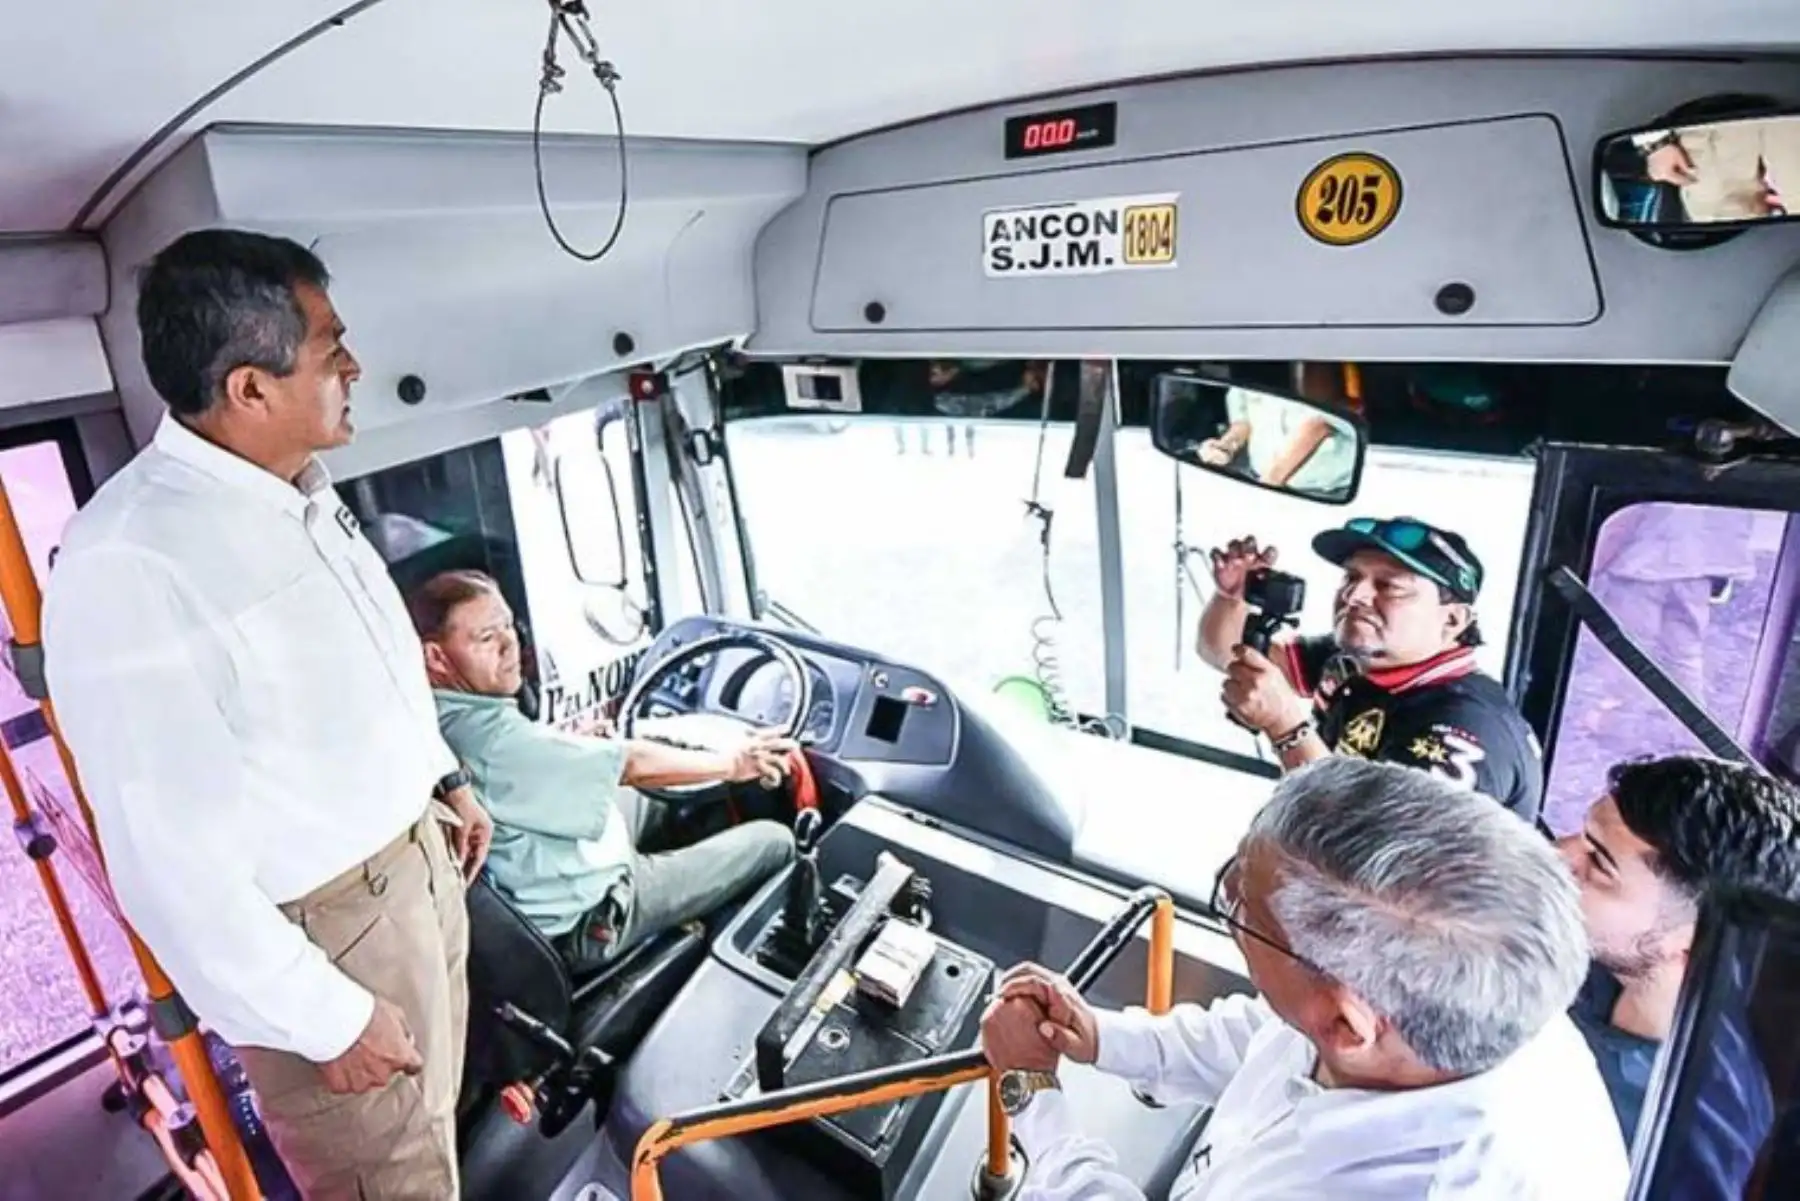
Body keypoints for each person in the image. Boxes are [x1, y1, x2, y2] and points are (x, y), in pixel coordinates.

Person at [42, 228, 492, 1200]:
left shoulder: (299, 495)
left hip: (420, 864)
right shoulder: (129, 562)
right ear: (250, 388)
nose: (355, 368)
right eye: (333, 350)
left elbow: (365, 665)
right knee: (393, 1180)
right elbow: (166, 865)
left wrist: (442, 777)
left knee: (430, 1143)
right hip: (328, 938)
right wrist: (324, 1017)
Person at [980, 757, 1627, 1199]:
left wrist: (1030, 1095)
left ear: (1347, 1023)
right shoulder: (1492, 999)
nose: (1230, 903)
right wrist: (1102, 1036)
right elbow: (1270, 1033)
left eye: (1238, 907)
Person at [408, 570, 798, 969]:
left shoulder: (429, 716)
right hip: (591, 914)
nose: (512, 645)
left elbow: (526, 758)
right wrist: (734, 763)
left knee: (662, 797)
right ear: (435, 657)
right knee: (775, 841)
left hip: (544, 873)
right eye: (487, 638)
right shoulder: (495, 739)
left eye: (509, 626)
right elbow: (632, 764)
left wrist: (566, 743)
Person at [1560, 755, 1800, 1197]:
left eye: (1598, 862)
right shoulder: (1577, 958)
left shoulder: (1688, 1140)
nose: (1559, 853)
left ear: (1693, 939)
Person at [1200, 515, 1543, 822]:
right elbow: (1222, 651)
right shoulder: (1353, 662)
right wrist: (1232, 597)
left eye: (1389, 586)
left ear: (1452, 619)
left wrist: (1286, 727)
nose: (1354, 596)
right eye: (1352, 577)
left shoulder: (1465, 729)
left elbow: (1367, 846)